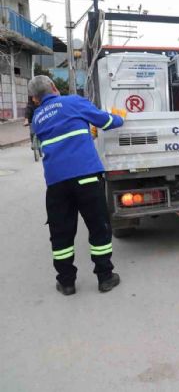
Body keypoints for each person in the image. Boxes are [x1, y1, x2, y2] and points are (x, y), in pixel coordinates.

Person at [28, 75, 126, 296]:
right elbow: (106, 122)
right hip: (86, 177)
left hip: (56, 183)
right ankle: (105, 277)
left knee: (61, 234)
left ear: (35, 99)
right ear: (54, 87)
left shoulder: (37, 118)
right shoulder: (73, 102)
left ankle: (66, 283)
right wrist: (120, 118)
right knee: (98, 227)